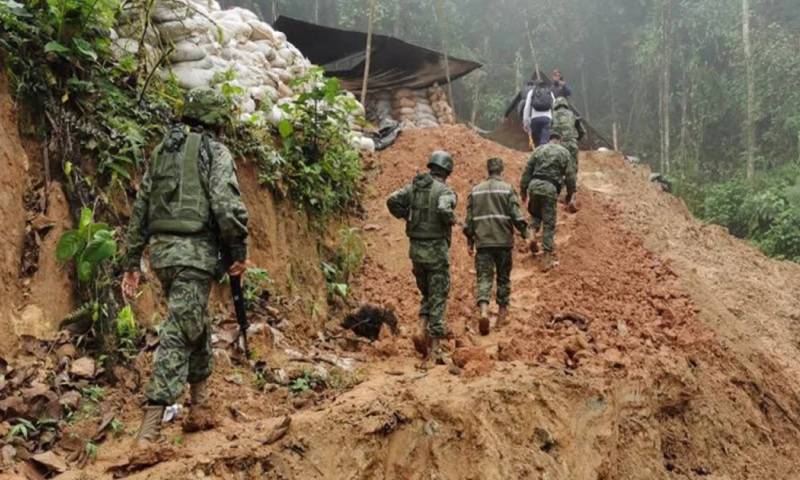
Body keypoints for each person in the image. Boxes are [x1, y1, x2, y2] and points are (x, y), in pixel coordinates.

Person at [121, 87, 250, 445]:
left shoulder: (163, 151)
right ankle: (149, 431)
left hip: (162, 256)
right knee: (180, 331)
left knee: (194, 321)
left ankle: (200, 406)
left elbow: (142, 207)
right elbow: (226, 205)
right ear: (216, 122)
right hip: (194, 255)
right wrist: (238, 250)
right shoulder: (214, 150)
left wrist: (133, 259)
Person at [386, 151, 457, 368]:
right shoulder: (445, 191)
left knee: (427, 293)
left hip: (416, 250)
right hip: (436, 251)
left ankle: (420, 328)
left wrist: (406, 216)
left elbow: (392, 200)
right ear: (446, 171)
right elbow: (445, 208)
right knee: (438, 296)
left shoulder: (413, 187)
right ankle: (434, 351)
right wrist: (451, 219)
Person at [463, 158, 528, 335]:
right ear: (501, 170)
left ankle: (484, 310)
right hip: (503, 243)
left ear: (488, 170)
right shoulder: (507, 189)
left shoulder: (475, 191)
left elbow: (469, 221)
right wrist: (526, 234)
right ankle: (501, 314)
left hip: (483, 244)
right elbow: (516, 216)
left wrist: (470, 241)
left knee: (484, 278)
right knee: (503, 278)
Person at [520, 132, 576, 271]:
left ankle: (531, 234)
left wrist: (523, 190)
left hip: (534, 185)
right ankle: (546, 258)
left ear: (549, 140)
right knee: (549, 224)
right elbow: (570, 176)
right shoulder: (564, 153)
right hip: (550, 188)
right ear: (560, 140)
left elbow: (527, 170)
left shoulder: (539, 150)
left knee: (535, 215)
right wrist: (570, 194)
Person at [551, 97, 586, 177]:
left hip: (558, 144)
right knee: (573, 166)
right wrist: (575, 140)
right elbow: (582, 131)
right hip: (571, 143)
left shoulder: (552, 115)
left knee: (557, 165)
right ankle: (571, 185)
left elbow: (548, 131)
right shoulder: (572, 115)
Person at [523, 78, 555, 148]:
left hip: (534, 120)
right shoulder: (549, 92)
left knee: (537, 140)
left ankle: (537, 151)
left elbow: (527, 107)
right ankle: (542, 152)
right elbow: (555, 106)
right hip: (547, 119)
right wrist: (554, 120)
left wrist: (525, 122)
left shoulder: (532, 92)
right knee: (544, 141)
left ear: (535, 85)